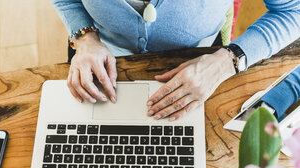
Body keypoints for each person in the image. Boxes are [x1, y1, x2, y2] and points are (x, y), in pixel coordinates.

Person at [51, 0, 300, 121]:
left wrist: (227, 62)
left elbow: (293, 10)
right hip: (94, 56)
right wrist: (84, 37)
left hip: (202, 69)